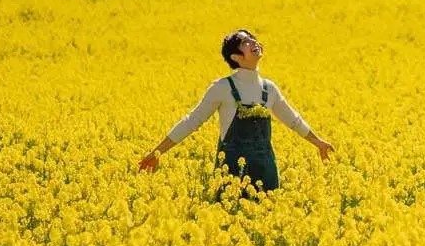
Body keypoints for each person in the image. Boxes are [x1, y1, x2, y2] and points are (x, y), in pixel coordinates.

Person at [138, 29, 334, 198]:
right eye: (245, 42)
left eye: (252, 39)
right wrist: (158, 152)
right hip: (231, 173)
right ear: (236, 57)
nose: (253, 43)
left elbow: (293, 120)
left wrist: (319, 143)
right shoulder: (222, 88)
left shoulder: (269, 89)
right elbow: (192, 121)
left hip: (266, 171)